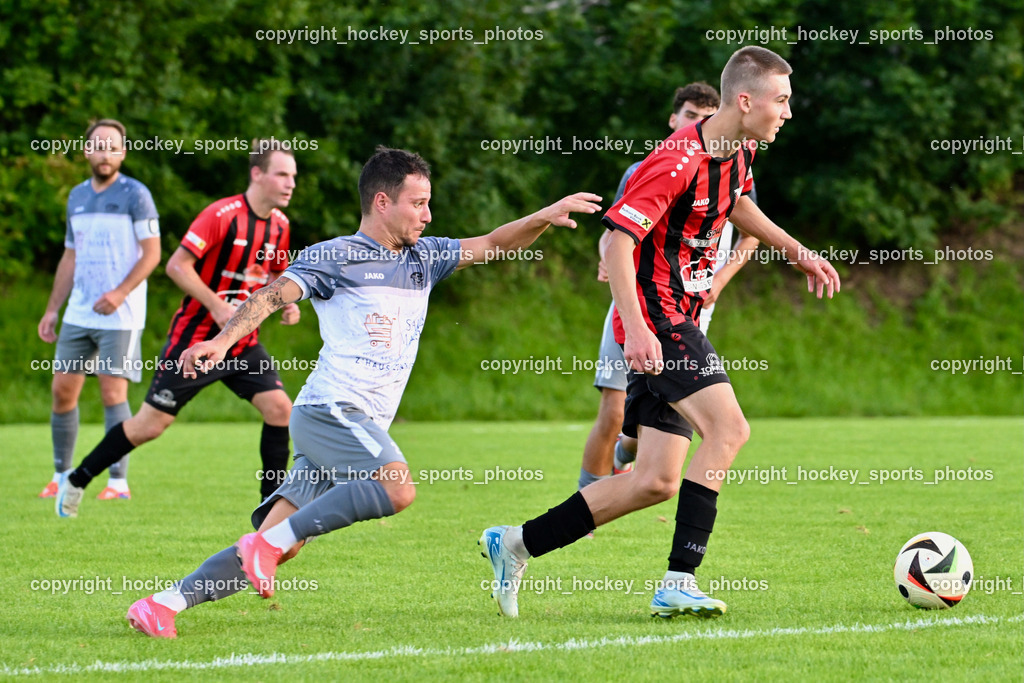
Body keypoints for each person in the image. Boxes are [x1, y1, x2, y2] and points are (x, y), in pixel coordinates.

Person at [122, 146, 601, 638]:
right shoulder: (336, 256)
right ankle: (260, 549)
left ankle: (164, 603)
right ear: (381, 201)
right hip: (332, 409)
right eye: (417, 203)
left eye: (428, 203)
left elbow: (496, 242)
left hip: (351, 424)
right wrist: (222, 342)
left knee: (277, 544)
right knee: (397, 487)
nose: (428, 215)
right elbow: (269, 295)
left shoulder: (425, 258)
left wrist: (543, 216)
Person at [481, 46, 840, 619]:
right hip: (661, 316)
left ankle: (516, 543)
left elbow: (739, 205)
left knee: (654, 481)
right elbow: (618, 241)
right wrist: (639, 328)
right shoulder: (677, 159)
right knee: (730, 429)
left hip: (681, 317)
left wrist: (796, 253)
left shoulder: (740, 150)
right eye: (782, 100)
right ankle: (679, 580)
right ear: (745, 101)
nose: (787, 113)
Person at [55, 141, 301, 517]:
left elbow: (273, 277)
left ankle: (269, 514)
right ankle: (77, 479)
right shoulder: (222, 214)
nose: (290, 183)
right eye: (282, 174)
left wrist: (287, 303)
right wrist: (217, 305)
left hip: (241, 344)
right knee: (148, 426)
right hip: (195, 343)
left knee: (280, 410)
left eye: (293, 176)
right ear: (257, 174)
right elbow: (176, 266)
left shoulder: (280, 226)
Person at [579, 83, 761, 490]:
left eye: (707, 115)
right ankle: (586, 499)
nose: (700, 123)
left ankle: (628, 452)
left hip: (690, 310)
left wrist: (722, 277)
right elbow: (616, 233)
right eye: (692, 115)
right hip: (638, 304)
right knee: (612, 409)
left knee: (660, 427)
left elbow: (750, 229)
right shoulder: (656, 164)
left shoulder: (735, 161)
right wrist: (606, 256)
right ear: (674, 118)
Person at [37, 119, 161, 501]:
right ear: (87, 150)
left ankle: (117, 483)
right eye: (98, 146)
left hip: (120, 315)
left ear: (122, 153)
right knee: (62, 391)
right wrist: (52, 309)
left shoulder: (136, 194)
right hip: (79, 312)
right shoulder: (76, 196)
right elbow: (70, 256)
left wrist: (120, 292)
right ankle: (61, 474)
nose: (105, 153)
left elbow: (152, 253)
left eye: (112, 146)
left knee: (112, 394)